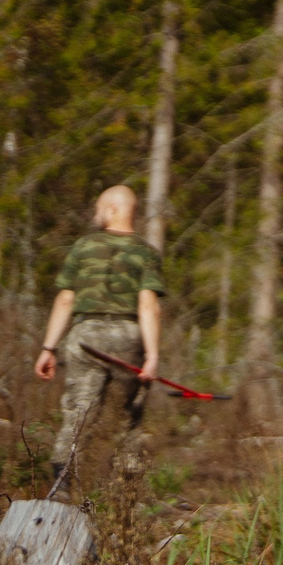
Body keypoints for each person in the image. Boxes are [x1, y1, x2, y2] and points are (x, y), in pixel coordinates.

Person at [35, 184, 167, 483]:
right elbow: (148, 305)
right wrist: (152, 356)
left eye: (98, 209)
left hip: (85, 337)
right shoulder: (146, 252)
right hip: (127, 339)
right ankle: (126, 489)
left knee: (79, 412)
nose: (96, 214)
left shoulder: (83, 246)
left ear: (112, 209)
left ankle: (62, 484)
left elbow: (65, 300)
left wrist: (48, 348)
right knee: (127, 416)